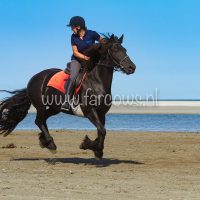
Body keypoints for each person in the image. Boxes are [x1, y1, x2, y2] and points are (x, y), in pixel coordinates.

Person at [61, 16, 104, 111]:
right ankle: (66, 101)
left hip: (91, 60)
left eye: (72, 27)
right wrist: (85, 57)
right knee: (73, 77)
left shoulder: (92, 34)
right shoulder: (73, 37)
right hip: (77, 60)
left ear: (78, 27)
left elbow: (103, 42)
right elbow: (75, 52)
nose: (71, 29)